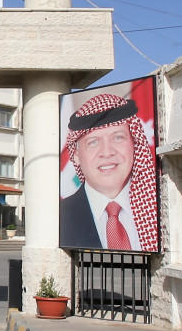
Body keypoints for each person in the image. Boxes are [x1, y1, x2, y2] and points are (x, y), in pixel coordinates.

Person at [59, 93, 158, 251]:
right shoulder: (58, 216)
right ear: (76, 155)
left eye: (118, 138)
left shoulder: (160, 209)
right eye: (93, 142)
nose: (107, 152)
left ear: (134, 143)